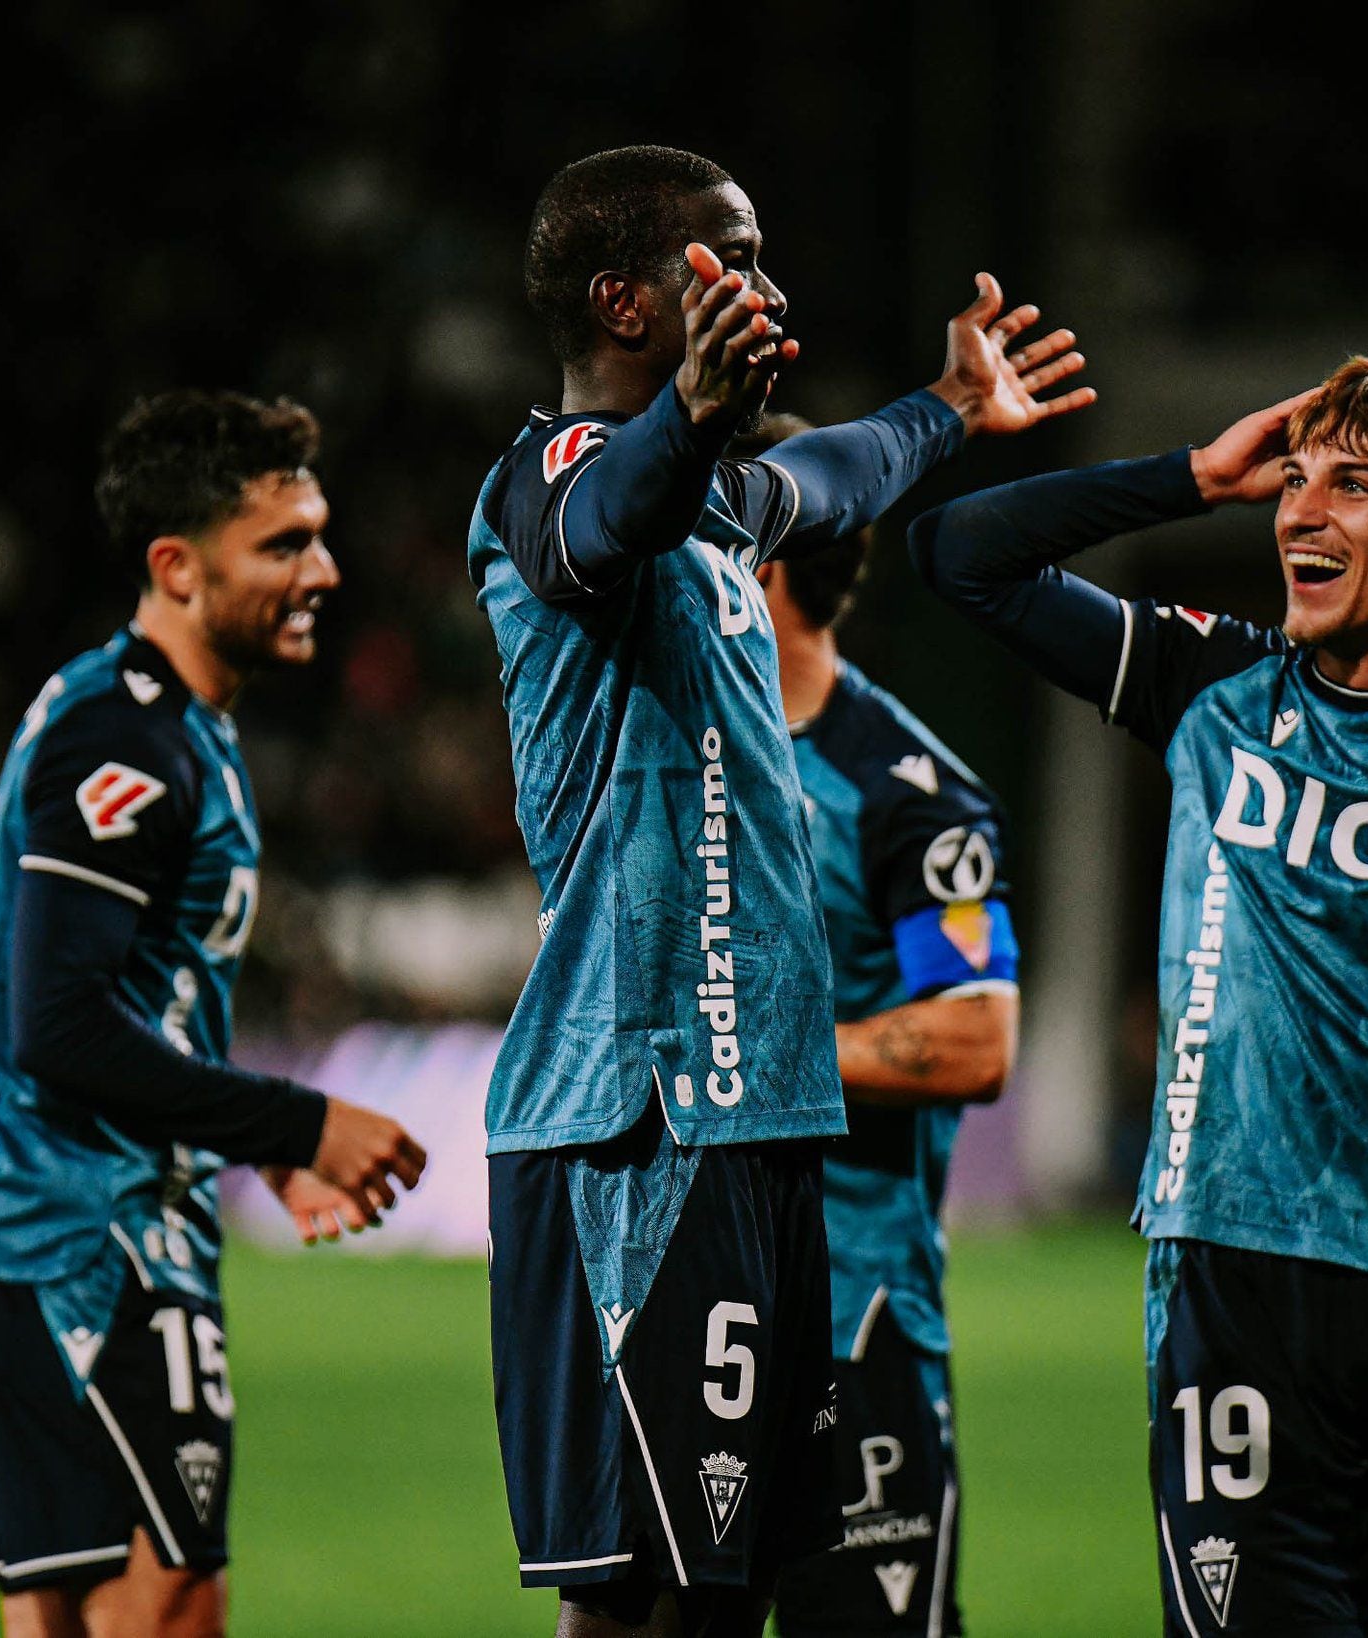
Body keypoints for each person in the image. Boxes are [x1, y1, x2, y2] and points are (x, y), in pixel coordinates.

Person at [471, 145, 1088, 1638]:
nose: (769, 286)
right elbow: (595, 526)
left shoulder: (725, 510)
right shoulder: (541, 484)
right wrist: (683, 415)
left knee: (727, 1593)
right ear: (627, 300)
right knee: (643, 1603)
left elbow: (838, 469)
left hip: (755, 1126)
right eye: (727, 256)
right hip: (639, 1124)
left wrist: (950, 405)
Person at [910, 358, 1368, 1637]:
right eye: (1294, 485)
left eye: (1354, 486)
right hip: (1235, 1280)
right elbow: (961, 553)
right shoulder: (1213, 692)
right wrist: (1187, 478)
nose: (1299, 515)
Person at [0, 390, 427, 1637]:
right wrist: (297, 1124)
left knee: (130, 1610)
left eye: (318, 532)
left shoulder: (178, 726)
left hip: (94, 1227)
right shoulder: (127, 738)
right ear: (177, 568)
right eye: (284, 544)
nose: (324, 568)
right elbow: (61, 1027)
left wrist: (249, 1146)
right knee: (157, 1608)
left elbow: (129, 1012)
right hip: (61, 1240)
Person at [735, 416, 1018, 1638]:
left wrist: (744, 1069)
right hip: (686, 1306)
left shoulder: (909, 793)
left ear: (760, 565)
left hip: (852, 1320)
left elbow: (972, 1041)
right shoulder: (667, 757)